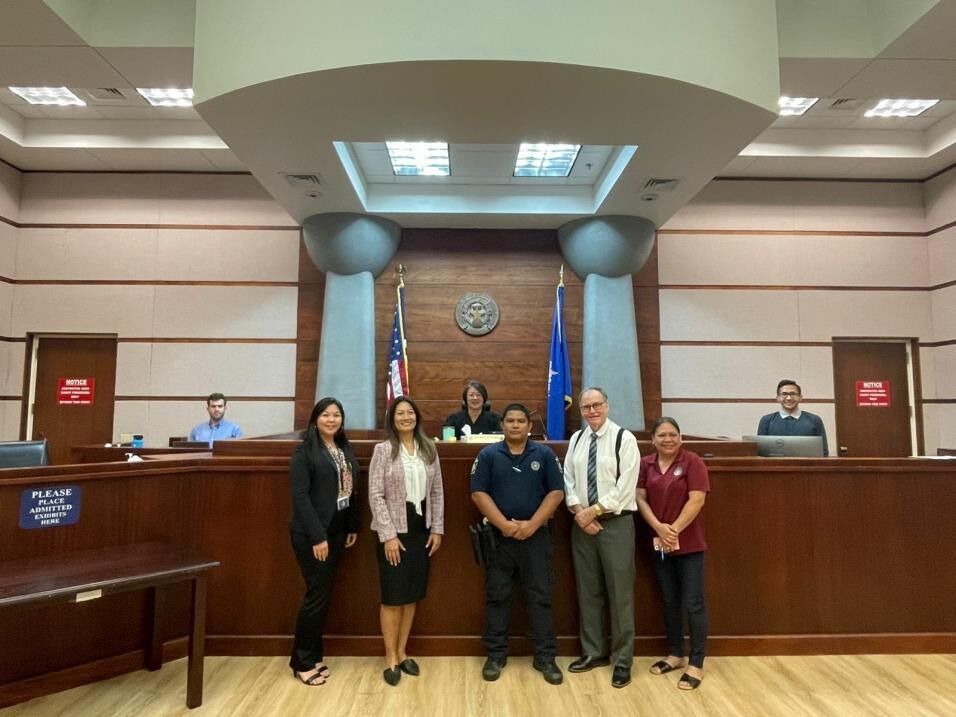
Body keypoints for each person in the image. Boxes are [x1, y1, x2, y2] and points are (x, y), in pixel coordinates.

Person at [470, 403, 565, 685]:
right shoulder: (488, 455)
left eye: (520, 421)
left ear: (529, 426)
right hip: (499, 539)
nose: (515, 425)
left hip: (536, 538)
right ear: (502, 425)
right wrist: (505, 526)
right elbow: (478, 493)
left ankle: (545, 657)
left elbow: (557, 493)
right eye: (510, 421)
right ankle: (496, 655)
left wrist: (532, 524)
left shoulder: (545, 454)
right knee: (497, 596)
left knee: (541, 596)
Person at [563, 387, 640, 688]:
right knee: (588, 591)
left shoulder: (625, 439)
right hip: (582, 526)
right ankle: (593, 652)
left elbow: (625, 487)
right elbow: (568, 478)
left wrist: (593, 511)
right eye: (586, 407)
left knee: (620, 596)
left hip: (616, 525)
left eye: (597, 405)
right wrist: (580, 512)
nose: (592, 411)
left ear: (607, 406)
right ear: (581, 410)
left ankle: (622, 661)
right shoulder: (576, 440)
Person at [368, 397, 445, 686]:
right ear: (392, 418)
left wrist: (437, 529)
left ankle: (402, 652)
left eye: (410, 412)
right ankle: (389, 657)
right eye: (400, 413)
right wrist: (387, 535)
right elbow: (375, 495)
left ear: (417, 417)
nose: (406, 417)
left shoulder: (429, 448)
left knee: (411, 594)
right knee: (392, 596)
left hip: (420, 531)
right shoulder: (383, 450)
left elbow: (437, 492)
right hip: (394, 533)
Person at [288, 397, 360, 686]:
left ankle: (314, 654)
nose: (332, 420)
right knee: (316, 596)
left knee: (322, 596)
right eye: (326, 415)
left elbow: (351, 489)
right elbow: (301, 498)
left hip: (338, 531)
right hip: (312, 535)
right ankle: (301, 661)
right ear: (315, 419)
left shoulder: (343, 447)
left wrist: (352, 524)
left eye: (337, 415)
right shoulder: (304, 452)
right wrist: (318, 536)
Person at [637, 416, 710, 691]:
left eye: (673, 434)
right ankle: (675, 653)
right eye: (662, 435)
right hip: (659, 543)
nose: (668, 439)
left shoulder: (692, 461)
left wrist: (674, 530)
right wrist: (658, 527)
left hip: (688, 543)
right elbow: (639, 497)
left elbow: (697, 499)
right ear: (653, 440)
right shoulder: (646, 463)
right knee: (669, 600)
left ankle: (696, 662)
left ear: (680, 437)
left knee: (693, 603)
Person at [757, 379, 829, 456]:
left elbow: (823, 452)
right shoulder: (766, 420)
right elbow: (759, 452)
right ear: (778, 398)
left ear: (800, 397)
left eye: (793, 394)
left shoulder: (814, 420)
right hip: (776, 467)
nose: (789, 398)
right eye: (784, 394)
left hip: (806, 467)